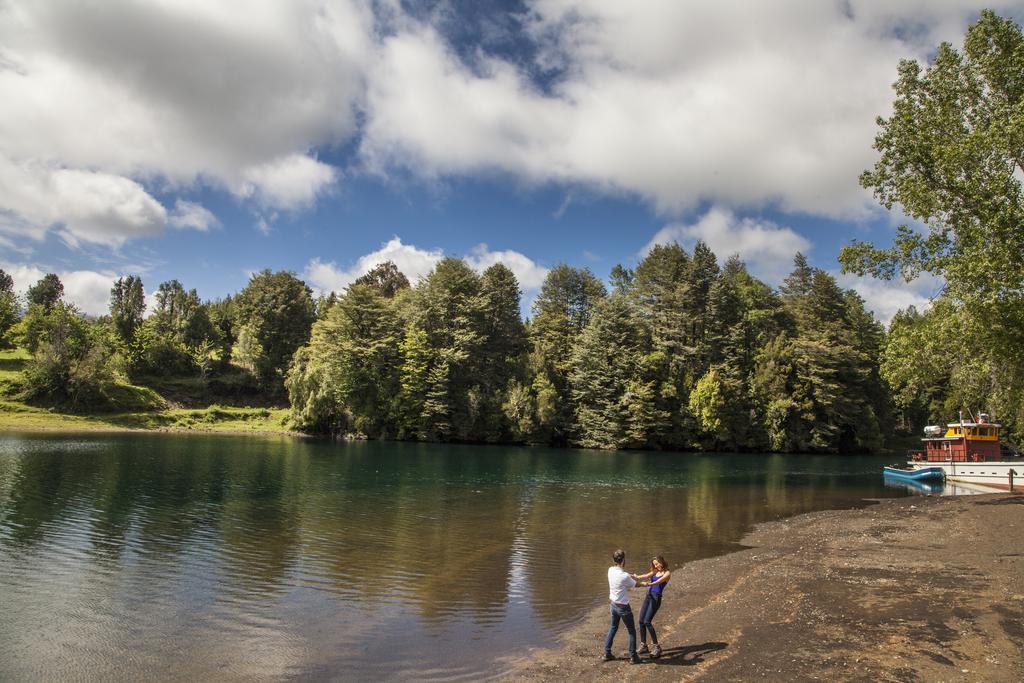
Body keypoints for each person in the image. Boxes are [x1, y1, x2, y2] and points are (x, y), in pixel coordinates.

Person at [603, 548, 641, 664]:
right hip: (623, 607)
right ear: (623, 560)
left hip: (613, 605)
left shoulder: (610, 570)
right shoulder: (624, 576)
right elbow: (636, 585)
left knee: (613, 627)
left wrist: (631, 575)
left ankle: (607, 653)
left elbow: (623, 576)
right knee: (631, 631)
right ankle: (633, 656)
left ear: (614, 560)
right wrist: (648, 583)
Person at [635, 555, 671, 658]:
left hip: (656, 598)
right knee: (641, 620)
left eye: (657, 563)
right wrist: (635, 577)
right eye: (655, 564)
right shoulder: (655, 571)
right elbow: (646, 575)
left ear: (662, 562)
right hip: (648, 596)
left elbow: (659, 582)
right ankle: (643, 645)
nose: (656, 565)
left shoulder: (667, 573)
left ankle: (657, 647)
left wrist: (649, 584)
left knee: (647, 621)